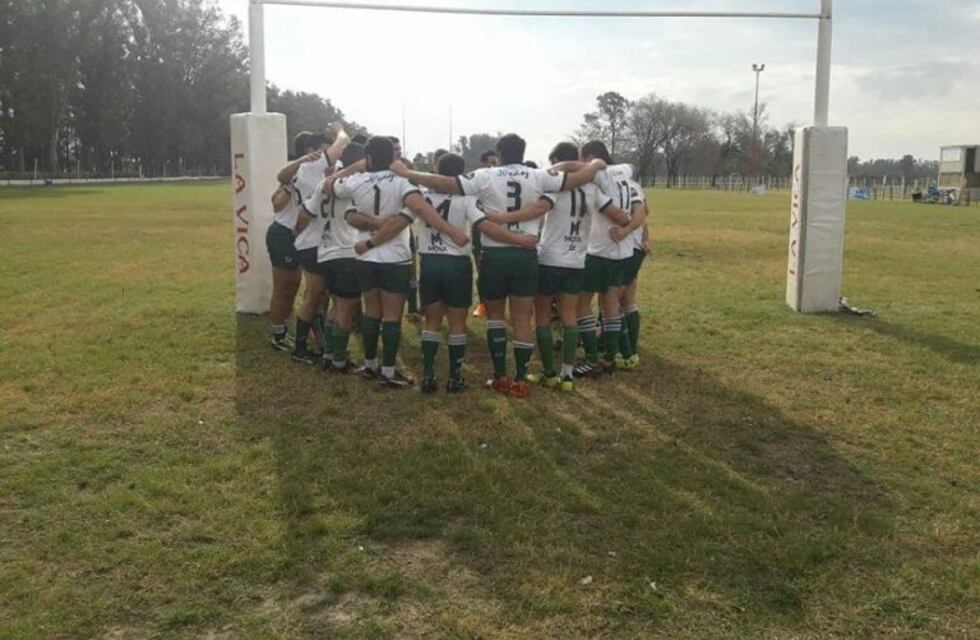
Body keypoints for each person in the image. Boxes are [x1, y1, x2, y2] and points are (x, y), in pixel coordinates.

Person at [392, 133, 606, 397]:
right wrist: (595, 164)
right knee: (521, 318)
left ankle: (499, 376)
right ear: (523, 150)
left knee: (495, 317)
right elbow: (578, 179)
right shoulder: (538, 176)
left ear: (500, 154)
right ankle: (520, 378)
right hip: (525, 255)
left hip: (494, 256)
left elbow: (446, 183)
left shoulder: (485, 175)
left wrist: (409, 172)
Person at [485, 141, 633, 392]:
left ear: (558, 162)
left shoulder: (555, 188)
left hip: (549, 258)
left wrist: (504, 218)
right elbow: (621, 216)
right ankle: (567, 375)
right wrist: (623, 225)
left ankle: (548, 372)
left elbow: (539, 208)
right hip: (576, 260)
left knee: (542, 315)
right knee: (569, 315)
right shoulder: (592, 189)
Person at [337, 136, 468, 388]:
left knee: (371, 311)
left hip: (364, 256)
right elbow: (419, 209)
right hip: (393, 257)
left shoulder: (355, 180)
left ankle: (370, 364)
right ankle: (387, 372)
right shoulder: (401, 182)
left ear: (369, 158)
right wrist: (451, 231)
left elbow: (337, 198)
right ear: (394, 157)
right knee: (392, 315)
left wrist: (350, 170)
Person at [415, 152, 538, 393]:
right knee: (457, 323)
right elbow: (484, 226)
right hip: (456, 264)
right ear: (461, 175)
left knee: (431, 320)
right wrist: (518, 239)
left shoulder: (422, 196)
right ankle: (455, 377)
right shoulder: (467, 198)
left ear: (437, 171)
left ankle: (428, 375)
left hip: (429, 261)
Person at [574, 140, 645, 376]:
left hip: (600, 250)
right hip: (624, 252)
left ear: (591, 157)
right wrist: (626, 232)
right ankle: (610, 358)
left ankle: (592, 358)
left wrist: (621, 226)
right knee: (611, 304)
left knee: (580, 303)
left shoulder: (599, 177)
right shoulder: (629, 179)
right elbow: (640, 213)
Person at [301, 142, 367, 373]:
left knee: (336, 306)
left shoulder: (326, 182)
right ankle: (339, 359)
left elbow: (307, 212)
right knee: (346, 308)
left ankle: (329, 354)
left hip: (325, 250)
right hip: (346, 250)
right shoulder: (355, 183)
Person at [287, 124, 350, 364]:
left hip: (323, 241)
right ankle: (303, 347)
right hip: (313, 242)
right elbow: (340, 146)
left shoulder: (312, 169)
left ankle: (326, 348)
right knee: (316, 296)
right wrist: (340, 132)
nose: (332, 158)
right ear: (312, 151)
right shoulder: (311, 166)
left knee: (325, 297)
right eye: (325, 151)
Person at [614, 180, 650, 368]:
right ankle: (631, 350)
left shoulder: (608, 182)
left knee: (612, 301)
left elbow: (643, 212)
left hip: (625, 249)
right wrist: (645, 237)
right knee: (627, 300)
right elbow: (645, 213)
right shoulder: (633, 185)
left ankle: (624, 353)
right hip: (635, 249)